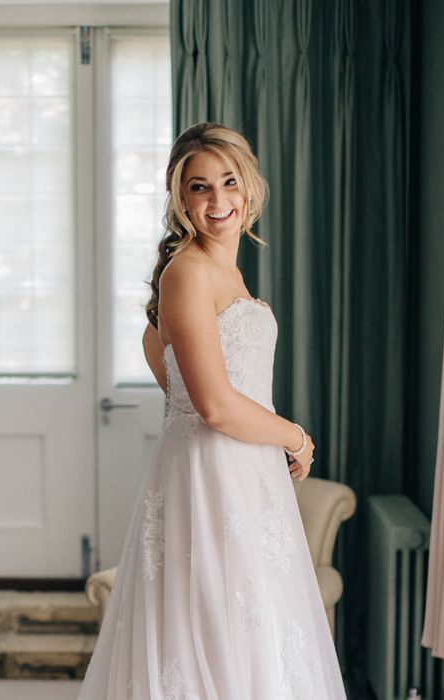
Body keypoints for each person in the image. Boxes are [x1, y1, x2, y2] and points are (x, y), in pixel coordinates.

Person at [77, 122, 347, 699]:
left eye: (229, 182)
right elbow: (215, 405)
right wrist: (295, 437)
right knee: (210, 631)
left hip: (243, 475)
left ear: (249, 186)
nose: (218, 200)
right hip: (213, 475)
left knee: (250, 635)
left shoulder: (223, 270)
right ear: (180, 197)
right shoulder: (188, 272)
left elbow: (168, 366)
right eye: (199, 187)